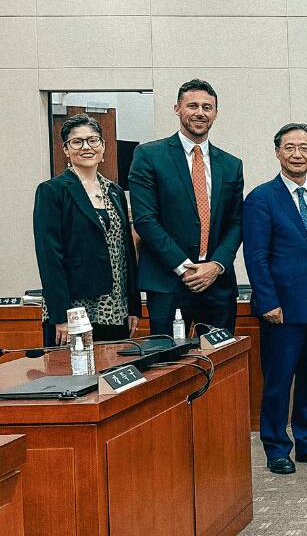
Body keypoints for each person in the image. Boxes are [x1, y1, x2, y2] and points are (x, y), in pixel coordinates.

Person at [243, 124, 307, 475]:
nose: (297, 153)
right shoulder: (261, 198)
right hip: (281, 309)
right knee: (279, 379)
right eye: (290, 147)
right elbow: (256, 256)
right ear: (277, 152)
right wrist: (268, 301)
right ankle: (276, 447)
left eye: (304, 147)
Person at [128, 78, 243, 336]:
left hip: (217, 283)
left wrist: (216, 266)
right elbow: (145, 220)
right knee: (170, 366)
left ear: (215, 113)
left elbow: (236, 222)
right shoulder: (149, 155)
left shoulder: (231, 164)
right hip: (168, 282)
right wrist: (184, 267)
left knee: (222, 364)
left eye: (207, 107)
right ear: (177, 109)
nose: (200, 113)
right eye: (192, 106)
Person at [33, 114, 140, 346]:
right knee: (72, 379)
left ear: (103, 147)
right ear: (66, 150)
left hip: (115, 308)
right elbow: (49, 257)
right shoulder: (52, 191)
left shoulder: (115, 192)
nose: (86, 147)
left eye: (93, 140)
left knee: (112, 378)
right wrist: (60, 316)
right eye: (77, 142)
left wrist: (134, 306)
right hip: (74, 310)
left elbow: (127, 253)